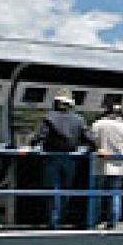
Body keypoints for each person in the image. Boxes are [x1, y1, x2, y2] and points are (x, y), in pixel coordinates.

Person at [31, 91, 92, 229]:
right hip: (71, 158)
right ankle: (62, 218)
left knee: (53, 190)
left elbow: (39, 136)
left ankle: (54, 221)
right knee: (66, 190)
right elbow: (89, 139)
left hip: (51, 158)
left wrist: (30, 145)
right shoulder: (79, 119)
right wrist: (92, 149)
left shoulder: (49, 117)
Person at [88, 104, 123, 228]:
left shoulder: (97, 124)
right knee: (114, 194)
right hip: (119, 165)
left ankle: (94, 221)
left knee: (97, 194)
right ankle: (112, 222)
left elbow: (91, 141)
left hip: (100, 164)